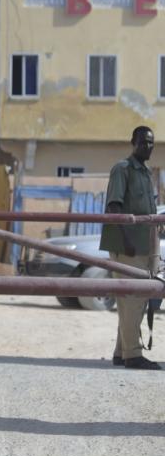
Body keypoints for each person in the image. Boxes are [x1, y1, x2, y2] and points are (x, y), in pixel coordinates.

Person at [100, 126, 160, 370]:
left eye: (151, 143)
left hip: (145, 245)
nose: (148, 147)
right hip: (128, 246)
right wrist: (126, 243)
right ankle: (132, 355)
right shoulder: (122, 169)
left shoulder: (146, 173)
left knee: (133, 301)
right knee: (132, 299)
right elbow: (114, 208)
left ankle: (120, 352)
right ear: (133, 143)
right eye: (144, 142)